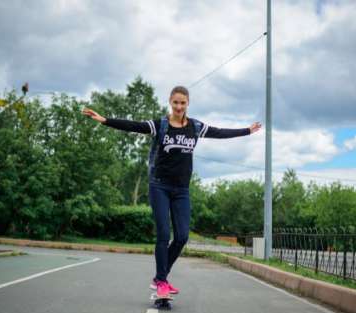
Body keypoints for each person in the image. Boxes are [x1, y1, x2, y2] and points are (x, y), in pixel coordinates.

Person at [82, 86, 261, 298]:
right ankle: (162, 282)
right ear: (170, 102)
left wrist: (246, 131)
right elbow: (134, 126)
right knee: (164, 234)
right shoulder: (160, 125)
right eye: (175, 102)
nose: (178, 106)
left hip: (182, 189)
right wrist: (105, 120)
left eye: (182, 103)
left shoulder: (195, 127)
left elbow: (220, 132)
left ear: (188, 104)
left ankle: (160, 278)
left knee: (182, 236)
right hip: (159, 186)